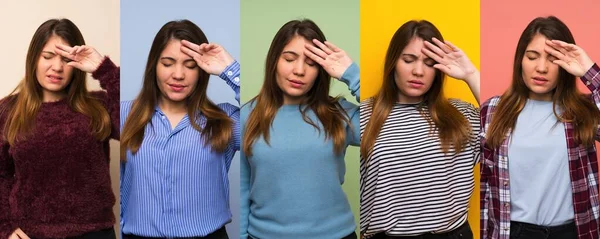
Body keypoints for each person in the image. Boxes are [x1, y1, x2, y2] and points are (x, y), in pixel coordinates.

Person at [481, 16, 600, 239]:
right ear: (520, 60)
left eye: (553, 59)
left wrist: (588, 70)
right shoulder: (493, 110)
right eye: (532, 56)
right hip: (514, 232)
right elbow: (485, 188)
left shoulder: (584, 110)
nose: (541, 68)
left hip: (572, 232)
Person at [240, 19, 360, 239]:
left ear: (322, 69)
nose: (299, 70)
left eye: (312, 62)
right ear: (274, 60)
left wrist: (352, 74)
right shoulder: (248, 115)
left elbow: (387, 126)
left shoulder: (339, 113)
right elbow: (242, 188)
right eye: (289, 59)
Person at [359, 20, 480, 239]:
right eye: (408, 60)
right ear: (393, 63)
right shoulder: (365, 114)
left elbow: (507, 127)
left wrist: (471, 74)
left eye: (429, 62)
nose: (418, 71)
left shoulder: (461, 115)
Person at [0, 18, 119, 239]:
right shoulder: (8, 110)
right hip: (29, 234)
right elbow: (1, 174)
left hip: (94, 232)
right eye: (48, 57)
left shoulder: (98, 105)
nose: (57, 67)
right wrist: (5, 228)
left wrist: (105, 70)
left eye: (66, 59)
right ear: (34, 58)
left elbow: (137, 129)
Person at [120, 20, 240, 238]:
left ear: (202, 70)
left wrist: (230, 70)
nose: (178, 74)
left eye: (190, 65)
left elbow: (269, 123)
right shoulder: (124, 114)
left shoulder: (225, 119)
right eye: (167, 63)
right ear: (153, 66)